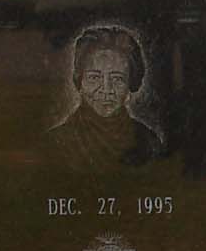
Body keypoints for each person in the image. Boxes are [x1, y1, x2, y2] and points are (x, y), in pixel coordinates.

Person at [46, 26, 165, 171]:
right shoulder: (55, 143)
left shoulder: (149, 142)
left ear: (131, 84)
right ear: (79, 81)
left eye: (117, 79)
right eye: (94, 78)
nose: (106, 90)